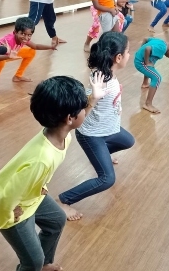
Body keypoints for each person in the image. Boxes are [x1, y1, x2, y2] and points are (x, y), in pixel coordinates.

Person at [0, 75, 92, 271]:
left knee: (56, 220)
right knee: (30, 260)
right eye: (83, 109)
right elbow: (8, 193)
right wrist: (8, 212)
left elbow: (80, 112)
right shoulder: (40, 158)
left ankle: (45, 263)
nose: (85, 112)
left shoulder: (59, 132)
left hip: (30, 194)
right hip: (11, 205)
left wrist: (93, 97)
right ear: (70, 118)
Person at [58, 32, 135, 220]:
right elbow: (80, 113)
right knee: (107, 179)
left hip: (109, 129)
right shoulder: (101, 81)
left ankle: (102, 155)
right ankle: (63, 201)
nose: (129, 55)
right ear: (118, 57)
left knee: (128, 141)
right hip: (91, 135)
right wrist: (93, 97)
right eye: (127, 52)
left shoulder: (108, 72)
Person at [0, 17, 57, 96]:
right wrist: (8, 56)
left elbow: (35, 46)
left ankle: (18, 76)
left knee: (31, 52)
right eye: (23, 34)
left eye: (29, 35)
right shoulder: (8, 41)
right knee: (1, 61)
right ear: (15, 32)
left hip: (10, 54)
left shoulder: (23, 39)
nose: (26, 38)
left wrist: (50, 47)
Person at [135, 37, 169, 114]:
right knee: (157, 78)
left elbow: (146, 39)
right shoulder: (162, 49)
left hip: (139, 58)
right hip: (140, 62)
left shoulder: (162, 42)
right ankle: (148, 104)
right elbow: (147, 48)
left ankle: (145, 83)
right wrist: (146, 62)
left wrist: (140, 51)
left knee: (151, 67)